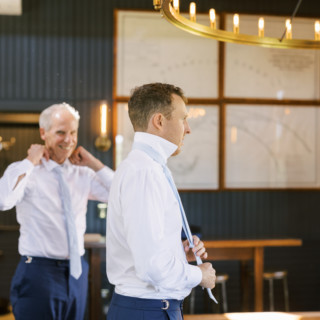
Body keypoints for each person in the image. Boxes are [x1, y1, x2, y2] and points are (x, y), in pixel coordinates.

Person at [106, 83, 216, 320]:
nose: (188, 129)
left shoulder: (146, 167)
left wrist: (177, 253)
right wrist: (200, 275)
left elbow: (149, 253)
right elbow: (152, 266)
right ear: (159, 121)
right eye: (183, 118)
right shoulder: (144, 172)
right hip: (147, 311)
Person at [0, 102, 114, 320]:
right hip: (39, 273)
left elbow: (122, 194)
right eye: (61, 132)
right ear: (43, 133)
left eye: (73, 132)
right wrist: (29, 161)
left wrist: (94, 163)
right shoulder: (27, 171)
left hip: (77, 272)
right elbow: (3, 200)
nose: (69, 140)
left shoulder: (83, 173)